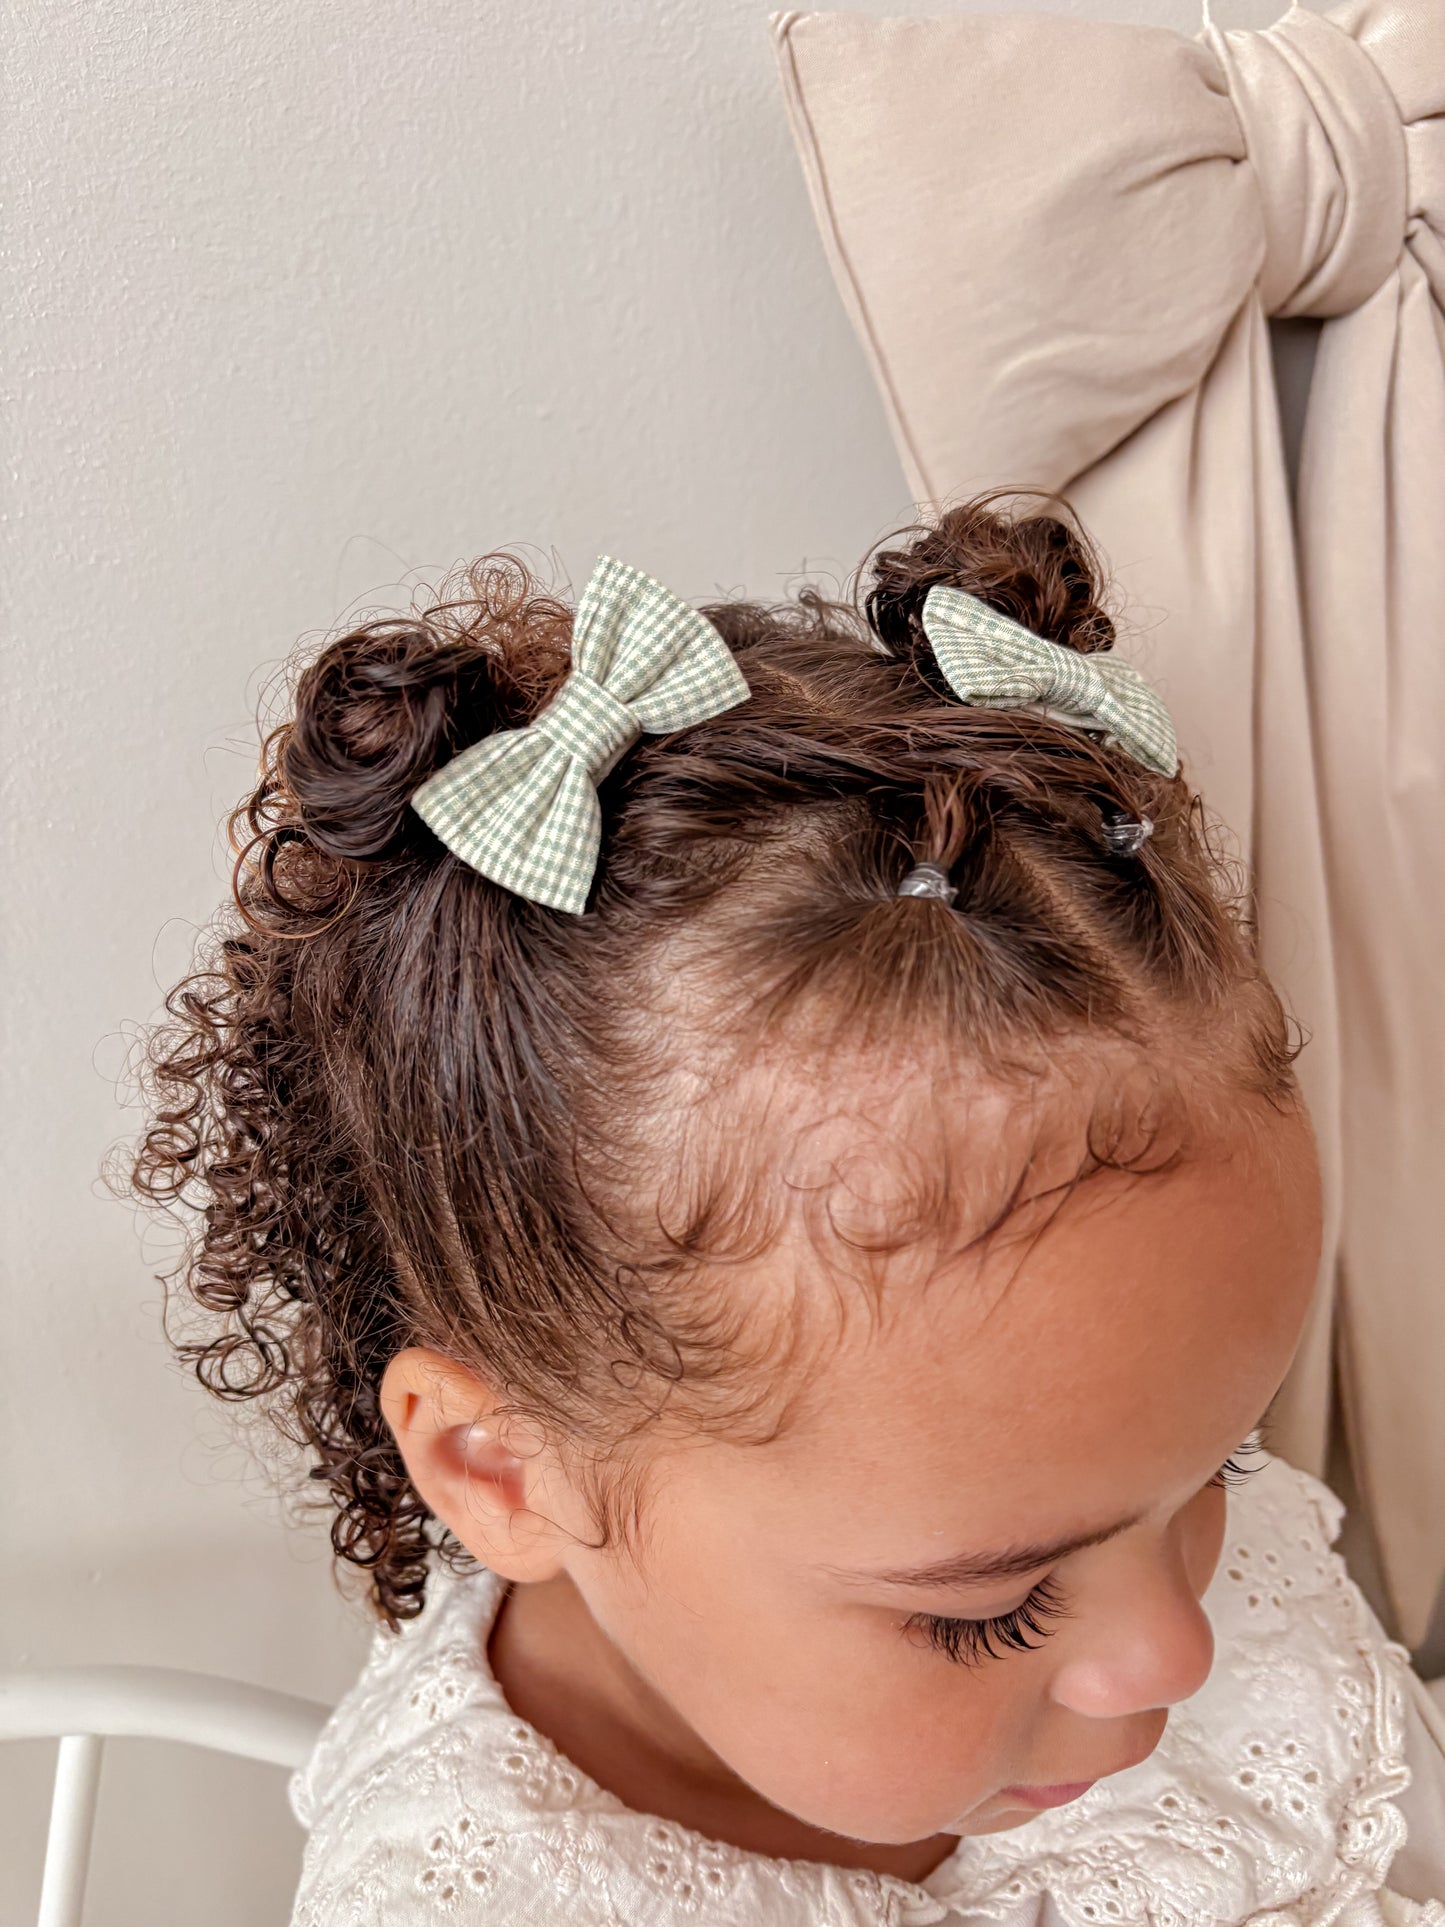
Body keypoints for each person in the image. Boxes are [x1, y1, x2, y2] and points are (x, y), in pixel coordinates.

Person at [132, 497, 1445, 1922]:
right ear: (505, 1471)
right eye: (987, 1613)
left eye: (1221, 1465)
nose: (1178, 1654)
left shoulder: (1103, 1513)